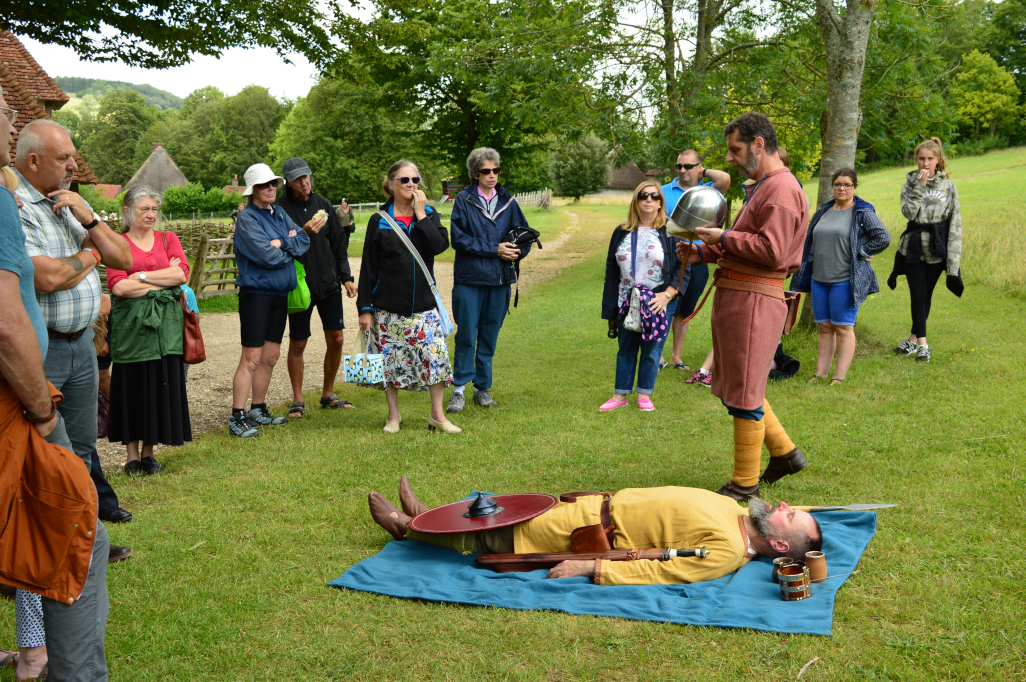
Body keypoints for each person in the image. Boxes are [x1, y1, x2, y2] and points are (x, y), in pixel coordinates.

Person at [1, 93, 111, 682]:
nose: (10, 120)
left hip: (72, 355)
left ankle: (34, 646)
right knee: (62, 516)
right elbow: (16, 304)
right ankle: (46, 655)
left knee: (66, 487)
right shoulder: (5, 202)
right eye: (4, 111)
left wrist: (88, 236)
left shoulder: (63, 205)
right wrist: (42, 408)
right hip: (26, 388)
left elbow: (116, 253)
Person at [676, 112, 809, 501]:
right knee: (740, 384)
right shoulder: (764, 186)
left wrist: (725, 236)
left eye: (735, 150)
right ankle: (784, 453)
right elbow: (745, 243)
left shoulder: (782, 190)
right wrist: (701, 251)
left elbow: (772, 250)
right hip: (740, 298)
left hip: (754, 301)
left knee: (746, 392)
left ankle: (744, 483)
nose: (731, 159)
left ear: (759, 144)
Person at [14, 119, 134, 552]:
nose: (73, 166)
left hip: (82, 344)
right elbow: (45, 277)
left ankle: (77, 548)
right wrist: (90, 252)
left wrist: (90, 220)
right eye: (63, 158)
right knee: (36, 455)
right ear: (33, 160)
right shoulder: (14, 207)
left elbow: (124, 256)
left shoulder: (72, 203)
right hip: (40, 348)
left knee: (80, 450)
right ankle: (30, 556)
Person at [368, 477, 822, 585]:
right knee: (504, 507)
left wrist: (590, 566)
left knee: (498, 531)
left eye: (791, 514)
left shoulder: (727, 551)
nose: (784, 504)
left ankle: (408, 529)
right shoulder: (733, 508)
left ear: (779, 544)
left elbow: (656, 570)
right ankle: (429, 516)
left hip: (591, 531)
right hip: (593, 505)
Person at [356, 160, 456, 434]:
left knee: (435, 359)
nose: (412, 184)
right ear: (390, 185)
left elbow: (438, 246)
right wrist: (364, 308)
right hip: (388, 308)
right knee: (390, 363)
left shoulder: (430, 213)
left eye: (415, 180)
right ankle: (393, 416)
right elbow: (369, 266)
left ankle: (437, 415)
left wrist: (422, 215)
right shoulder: (379, 220)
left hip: (424, 305)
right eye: (405, 180)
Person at [104, 187, 193, 474]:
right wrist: (162, 279)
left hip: (165, 329)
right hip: (131, 328)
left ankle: (148, 452)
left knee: (159, 383)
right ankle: (131, 456)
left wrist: (139, 276)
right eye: (144, 209)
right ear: (127, 211)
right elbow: (119, 286)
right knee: (132, 385)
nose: (151, 214)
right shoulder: (117, 243)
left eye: (154, 209)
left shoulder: (168, 239)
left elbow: (181, 275)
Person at [446, 147, 532, 413]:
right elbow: (458, 239)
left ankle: (482, 389)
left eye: (496, 170)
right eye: (486, 171)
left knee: (489, 336)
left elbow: (525, 235)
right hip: (469, 280)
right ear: (475, 173)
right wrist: (495, 249)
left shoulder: (509, 201)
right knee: (466, 336)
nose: (492, 175)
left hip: (499, 280)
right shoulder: (463, 200)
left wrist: (518, 251)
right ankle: (458, 390)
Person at [229, 164, 311, 437]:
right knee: (251, 357)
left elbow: (303, 240)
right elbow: (266, 256)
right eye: (264, 185)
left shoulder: (279, 213)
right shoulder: (248, 219)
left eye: (273, 183)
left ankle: (258, 408)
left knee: (271, 356)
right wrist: (283, 245)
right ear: (253, 190)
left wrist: (280, 243)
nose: (271, 188)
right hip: (256, 294)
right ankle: (237, 416)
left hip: (279, 293)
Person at [791, 168, 891, 385]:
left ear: (854, 187)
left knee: (844, 328)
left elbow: (883, 237)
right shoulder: (824, 210)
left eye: (847, 184)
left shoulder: (862, 212)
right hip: (819, 279)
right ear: (832, 186)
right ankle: (821, 373)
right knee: (825, 327)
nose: (842, 188)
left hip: (845, 280)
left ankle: (839, 376)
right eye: (838, 184)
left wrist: (862, 252)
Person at [275, 157, 357, 418]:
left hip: (329, 285)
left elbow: (338, 245)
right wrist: (303, 231)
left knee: (337, 338)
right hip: (299, 286)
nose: (305, 182)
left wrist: (346, 277)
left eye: (307, 176)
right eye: (298, 179)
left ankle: (327, 394)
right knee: (299, 342)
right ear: (288, 182)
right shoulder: (279, 209)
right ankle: (298, 400)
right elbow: (278, 246)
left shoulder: (323, 205)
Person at [599, 180, 688, 411]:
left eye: (654, 196)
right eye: (643, 195)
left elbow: (683, 267)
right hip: (626, 300)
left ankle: (644, 395)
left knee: (652, 350)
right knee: (626, 349)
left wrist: (667, 296)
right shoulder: (621, 231)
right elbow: (611, 270)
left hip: (658, 301)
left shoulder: (671, 230)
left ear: (660, 202)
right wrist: (611, 305)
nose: (649, 199)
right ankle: (620, 396)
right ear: (636, 201)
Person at [887, 137, 963, 363]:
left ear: (938, 160)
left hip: (938, 249)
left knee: (925, 297)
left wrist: (953, 260)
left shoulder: (948, 187)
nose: (925, 163)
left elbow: (955, 223)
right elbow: (909, 213)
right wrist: (920, 185)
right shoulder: (908, 185)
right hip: (913, 247)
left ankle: (911, 339)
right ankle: (923, 345)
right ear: (916, 159)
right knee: (918, 294)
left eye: (930, 158)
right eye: (922, 158)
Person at [661, 150, 730, 374]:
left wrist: (703, 171)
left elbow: (725, 178)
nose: (682, 170)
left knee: (686, 308)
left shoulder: (709, 190)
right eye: (679, 166)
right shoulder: (663, 191)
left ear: (698, 167)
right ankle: (657, 355)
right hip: (670, 257)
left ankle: (676, 356)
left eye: (689, 166)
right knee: (664, 305)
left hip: (699, 256)